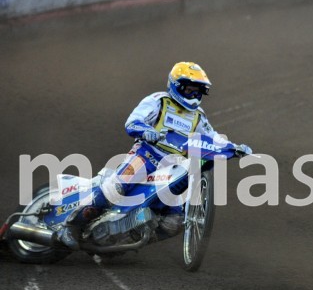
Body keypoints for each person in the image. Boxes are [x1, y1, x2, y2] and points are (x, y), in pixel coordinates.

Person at [57, 62, 251, 250]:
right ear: (177, 86)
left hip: (173, 168)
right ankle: (70, 226)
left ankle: (123, 239)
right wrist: (145, 131)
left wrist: (234, 147)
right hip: (146, 156)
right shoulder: (159, 101)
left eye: (198, 91)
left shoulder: (199, 116)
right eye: (190, 90)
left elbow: (212, 138)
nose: (194, 95)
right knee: (114, 189)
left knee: (174, 222)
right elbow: (133, 122)